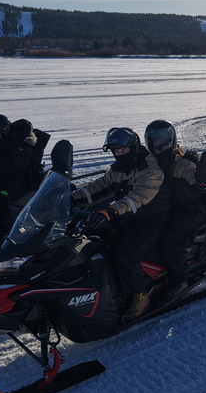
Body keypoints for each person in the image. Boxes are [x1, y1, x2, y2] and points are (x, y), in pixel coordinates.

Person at [71, 127, 169, 321]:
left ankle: (140, 297)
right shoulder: (119, 169)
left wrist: (112, 210)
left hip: (151, 221)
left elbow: (137, 198)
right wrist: (70, 197)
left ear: (133, 147)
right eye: (116, 152)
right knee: (95, 241)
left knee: (126, 255)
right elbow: (98, 186)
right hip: (128, 218)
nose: (119, 155)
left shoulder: (150, 170)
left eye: (123, 150)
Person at [144, 120, 206, 298]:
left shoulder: (181, 163)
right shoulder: (151, 162)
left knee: (170, 236)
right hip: (168, 210)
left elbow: (195, 179)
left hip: (190, 211)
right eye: (155, 140)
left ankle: (179, 280)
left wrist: (202, 179)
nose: (159, 144)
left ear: (170, 139)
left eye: (162, 139)